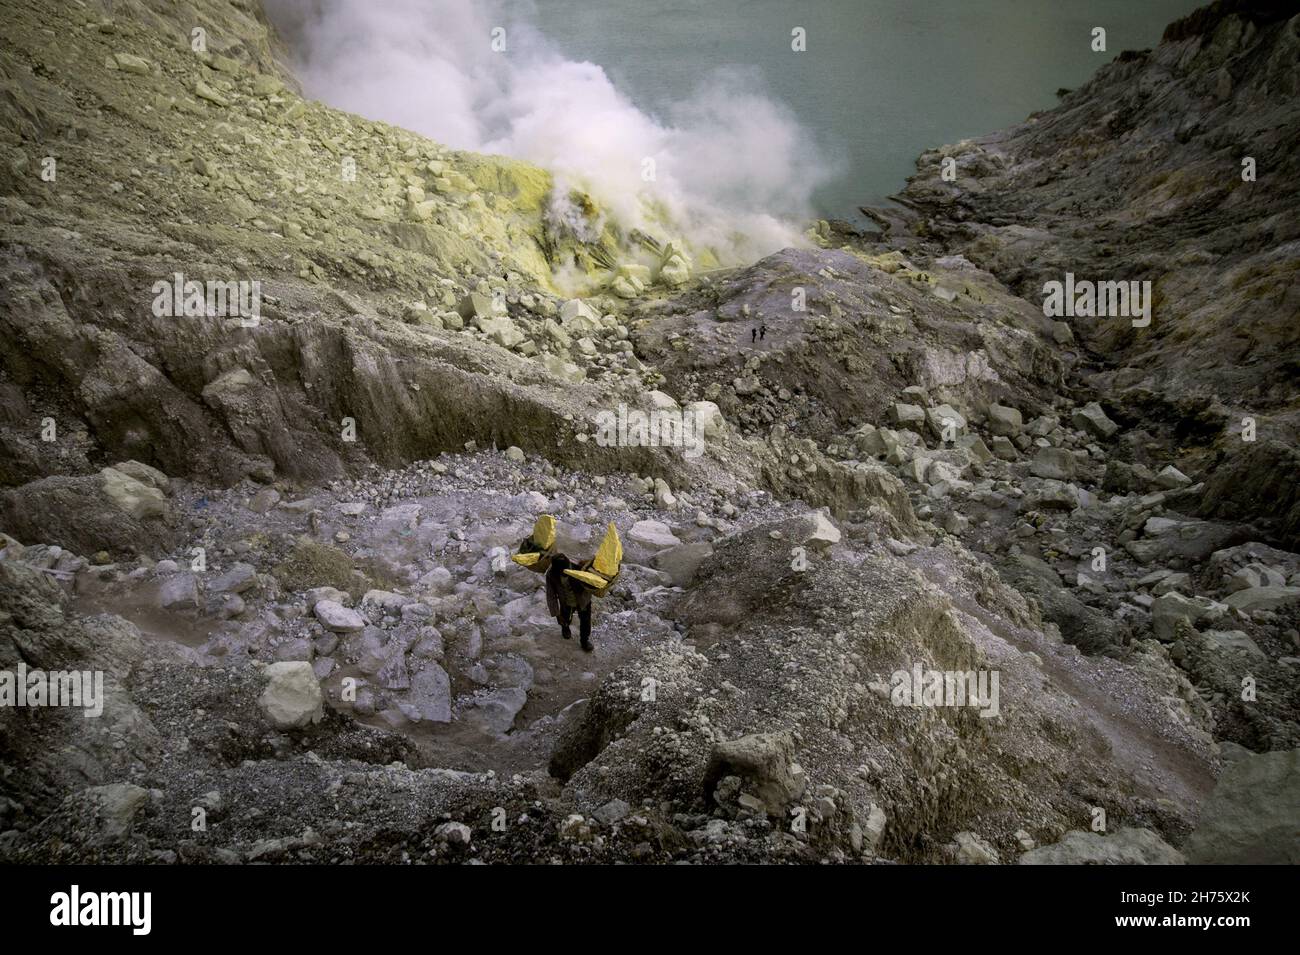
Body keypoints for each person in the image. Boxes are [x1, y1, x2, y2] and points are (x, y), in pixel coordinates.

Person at [512, 517, 621, 653]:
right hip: (566, 603)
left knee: (585, 622)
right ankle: (565, 627)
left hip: (583, 601)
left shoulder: (579, 568)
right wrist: (556, 613)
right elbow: (551, 595)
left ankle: (584, 640)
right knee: (565, 618)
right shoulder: (551, 575)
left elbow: (591, 581)